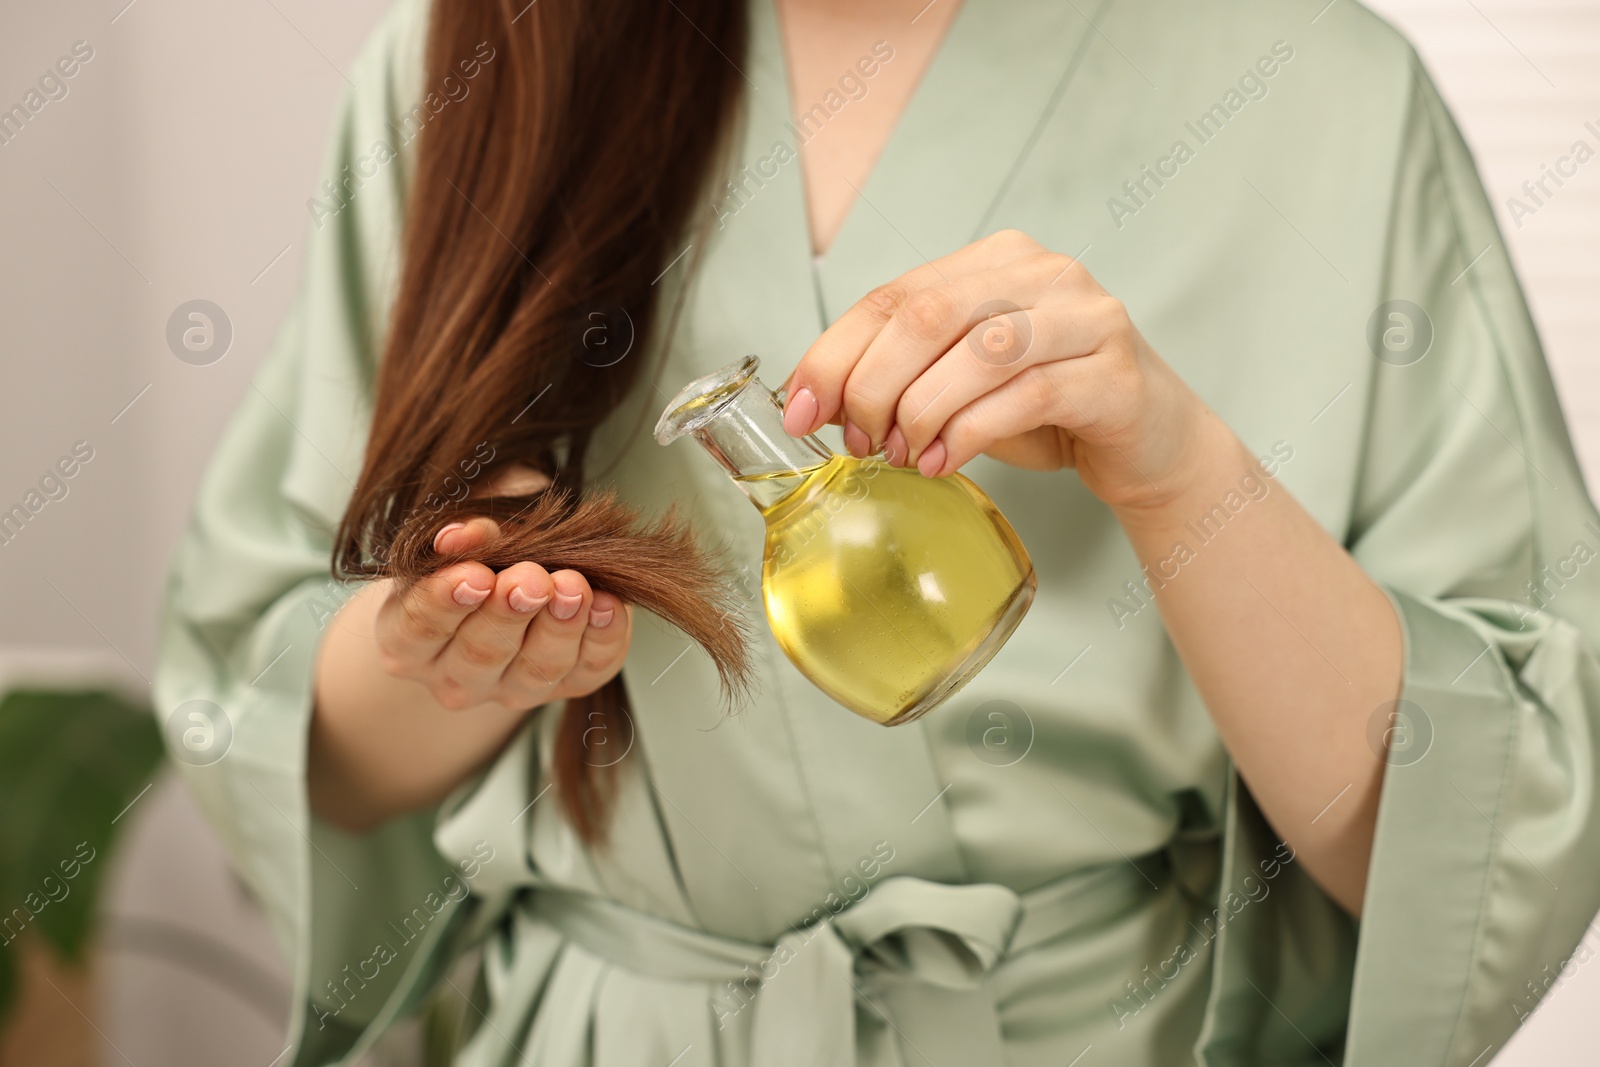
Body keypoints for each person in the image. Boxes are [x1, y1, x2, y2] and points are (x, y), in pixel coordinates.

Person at [154, 0, 1600, 1063]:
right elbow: (281, 723)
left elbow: (1478, 826)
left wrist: (1174, 467)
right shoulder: (478, 62)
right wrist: (447, 661)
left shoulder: (1324, 91)